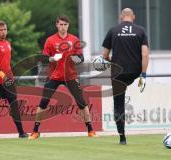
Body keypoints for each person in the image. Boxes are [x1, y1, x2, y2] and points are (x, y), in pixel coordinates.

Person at [29, 15, 97, 139]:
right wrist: (52, 58)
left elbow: (80, 58)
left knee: (82, 102)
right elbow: (44, 58)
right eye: (61, 24)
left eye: (65, 25)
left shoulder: (74, 39)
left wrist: (75, 59)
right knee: (43, 102)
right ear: (57, 25)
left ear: (68, 26)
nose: (63, 27)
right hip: (53, 76)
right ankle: (35, 131)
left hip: (70, 76)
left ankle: (90, 130)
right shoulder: (50, 40)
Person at [101, 8, 149, 144]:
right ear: (133, 16)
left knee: (119, 104)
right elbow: (145, 54)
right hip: (135, 71)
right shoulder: (141, 30)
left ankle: (122, 137)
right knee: (133, 83)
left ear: (121, 17)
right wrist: (143, 75)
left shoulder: (113, 30)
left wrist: (112, 60)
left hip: (118, 72)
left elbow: (104, 55)